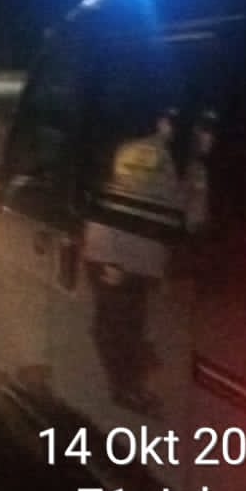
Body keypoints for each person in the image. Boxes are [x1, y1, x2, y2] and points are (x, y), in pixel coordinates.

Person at [81, 106, 185, 416]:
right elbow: (190, 213)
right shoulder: (179, 162)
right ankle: (133, 382)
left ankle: (128, 385)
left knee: (113, 323)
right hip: (143, 254)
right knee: (126, 321)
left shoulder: (129, 150)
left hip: (111, 250)